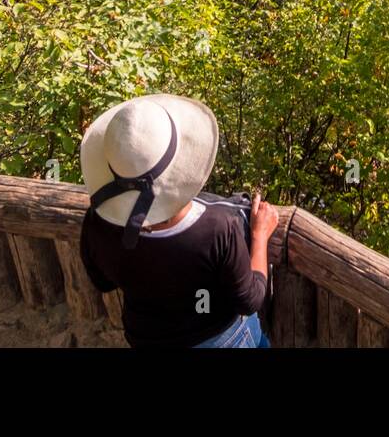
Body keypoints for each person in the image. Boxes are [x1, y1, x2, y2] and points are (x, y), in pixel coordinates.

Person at [78, 93, 280, 347]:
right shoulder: (217, 228)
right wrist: (260, 235)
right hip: (220, 340)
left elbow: (103, 282)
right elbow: (249, 301)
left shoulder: (98, 222)